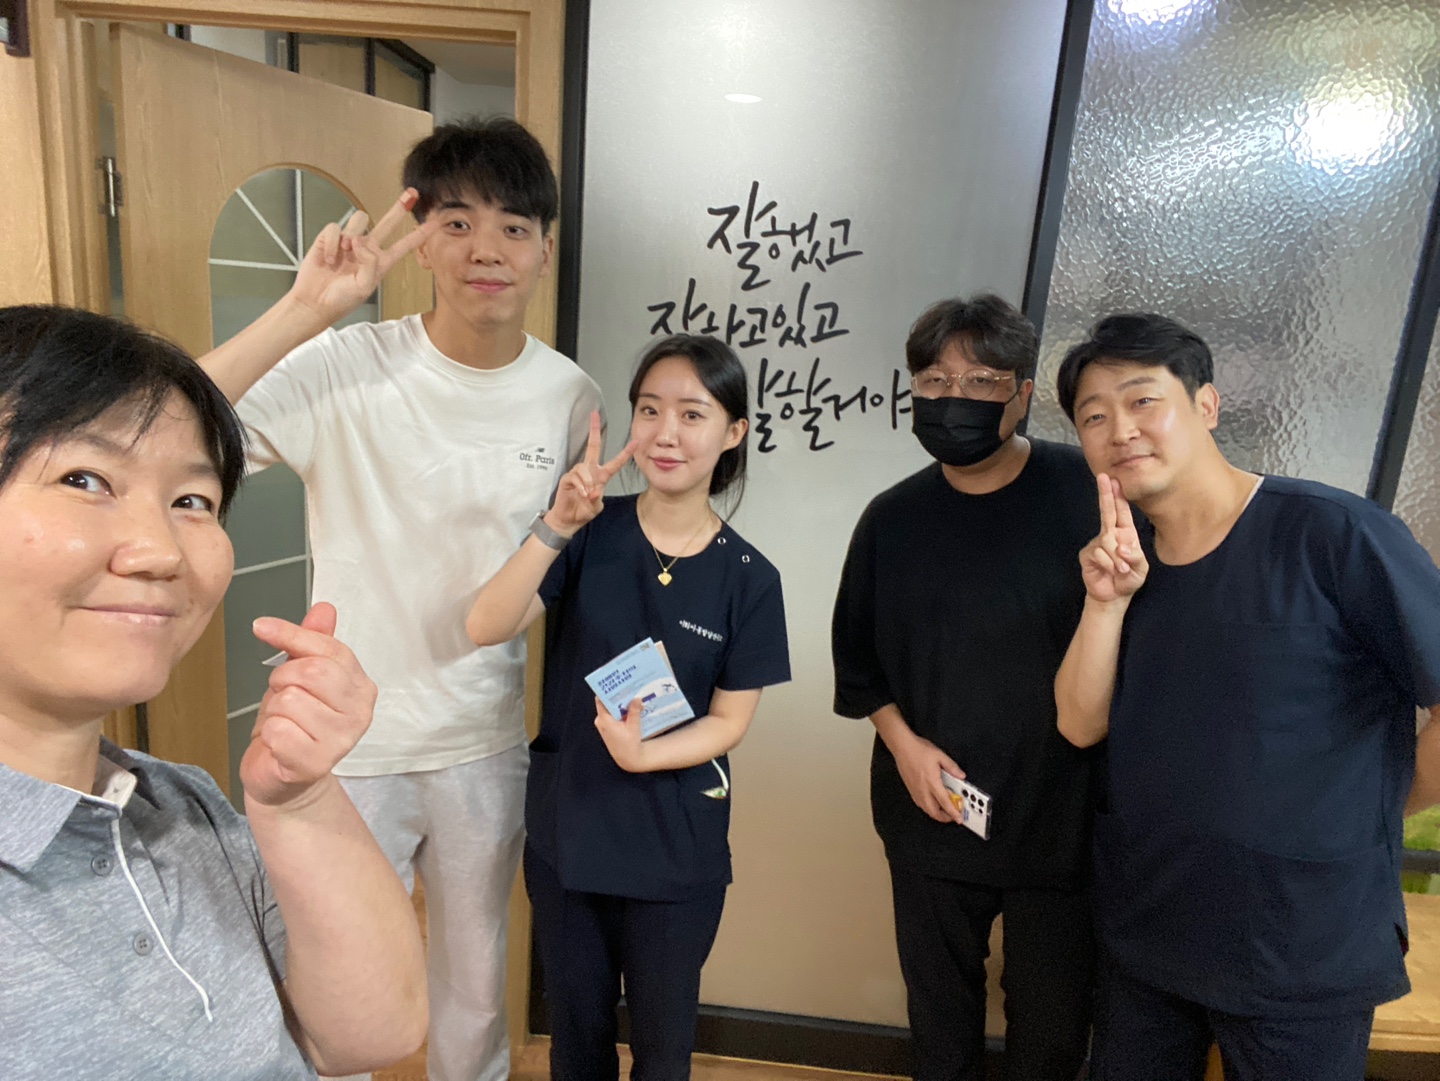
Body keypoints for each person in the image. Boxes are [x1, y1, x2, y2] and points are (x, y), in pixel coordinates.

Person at [198, 119, 603, 1081]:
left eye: (513, 227)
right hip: (348, 748)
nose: (485, 250)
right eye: (456, 223)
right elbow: (165, 425)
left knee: (474, 991)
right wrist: (304, 309)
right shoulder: (345, 365)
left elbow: (554, 567)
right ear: (420, 242)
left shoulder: (569, 395)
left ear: (546, 250)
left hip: (481, 739)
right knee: (333, 991)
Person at [0, 305, 427, 1080]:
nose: (161, 551)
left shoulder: (181, 805)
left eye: (192, 500)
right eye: (84, 478)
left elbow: (373, 1033)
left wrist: (298, 799)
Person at [1053, 312, 1440, 1081]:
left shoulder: (1332, 533)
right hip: (1151, 931)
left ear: (1206, 404)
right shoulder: (1123, 559)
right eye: (1093, 417)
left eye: (1142, 400)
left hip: (1301, 944)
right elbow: (1078, 723)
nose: (1120, 430)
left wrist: (1378, 808)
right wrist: (1105, 602)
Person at [468, 333, 790, 1080]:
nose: (666, 433)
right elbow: (485, 625)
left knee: (662, 1055)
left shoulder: (751, 578)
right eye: (650, 410)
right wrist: (556, 525)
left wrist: (646, 754)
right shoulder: (588, 531)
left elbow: (729, 721)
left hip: (676, 848)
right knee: (577, 1046)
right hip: (572, 833)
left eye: (692, 413)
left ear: (734, 432)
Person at [831, 295, 1100, 1081]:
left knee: (1051, 1028)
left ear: (1023, 394)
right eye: (936, 380)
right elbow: (858, 663)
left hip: (1063, 812)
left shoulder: (1087, 491)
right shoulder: (891, 519)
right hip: (932, 809)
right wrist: (905, 747)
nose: (955, 398)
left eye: (982, 381)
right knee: (940, 1021)